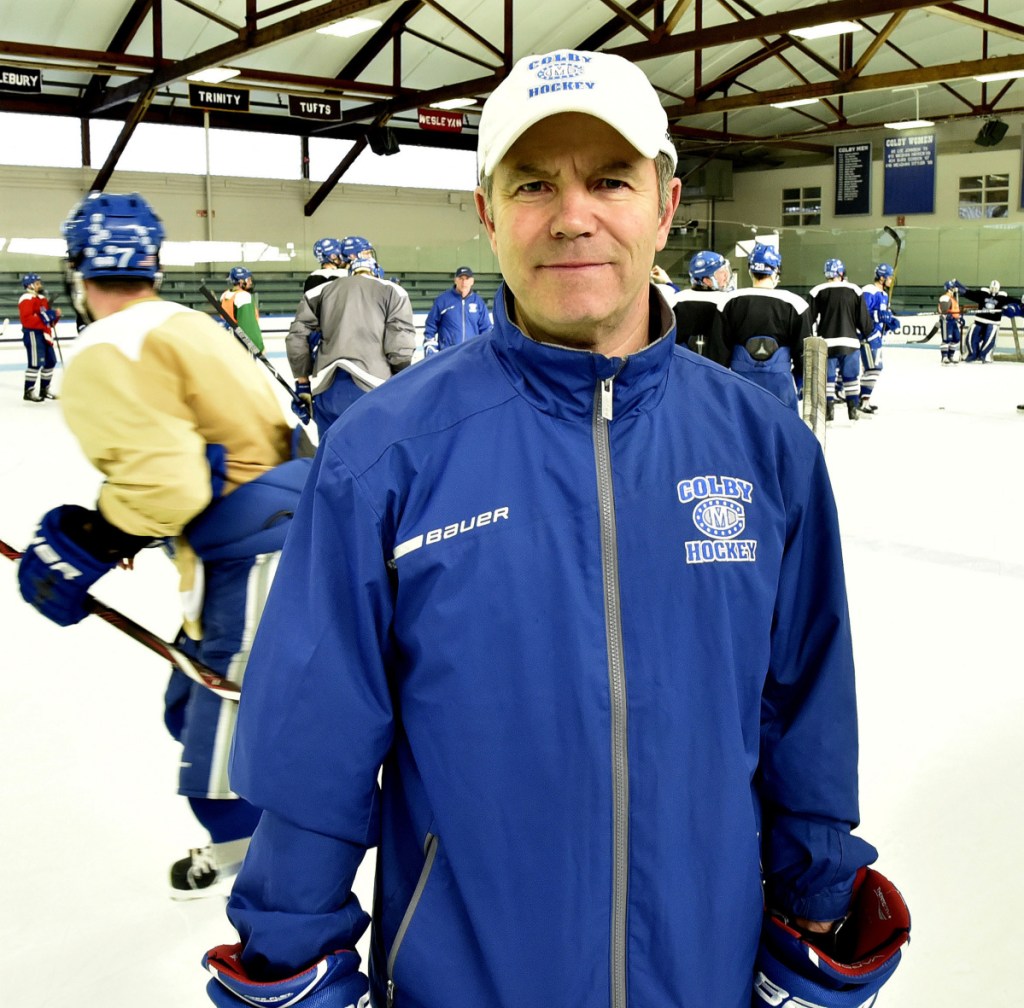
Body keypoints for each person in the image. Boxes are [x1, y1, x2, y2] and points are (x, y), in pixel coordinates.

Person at [203, 49, 882, 1008]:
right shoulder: (384, 456)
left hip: (703, 974)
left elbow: (806, 706)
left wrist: (818, 900)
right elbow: (318, 752)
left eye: (610, 179)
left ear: (666, 201)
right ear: (487, 211)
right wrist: (288, 957)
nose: (573, 216)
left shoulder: (767, 447)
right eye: (533, 183)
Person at [16, 191, 306, 900]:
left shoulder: (106, 349)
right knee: (189, 700)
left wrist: (97, 533)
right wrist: (123, 526)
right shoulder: (183, 323)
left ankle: (273, 885)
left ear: (78, 268)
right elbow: (228, 447)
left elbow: (170, 484)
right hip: (270, 543)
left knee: (221, 736)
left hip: (256, 558)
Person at [286, 254, 416, 437]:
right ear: (377, 273)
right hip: (373, 386)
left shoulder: (319, 292)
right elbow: (400, 344)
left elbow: (297, 336)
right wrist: (401, 376)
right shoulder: (393, 291)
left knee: (329, 456)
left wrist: (302, 383)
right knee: (370, 456)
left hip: (325, 387)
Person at [711, 243, 811, 408]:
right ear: (776, 271)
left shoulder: (729, 301)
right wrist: (800, 384)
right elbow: (804, 354)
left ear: (751, 270)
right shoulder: (796, 304)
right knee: (782, 430)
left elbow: (718, 352)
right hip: (781, 385)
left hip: (740, 384)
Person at [808, 258, 873, 421]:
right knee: (851, 378)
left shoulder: (817, 291)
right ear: (842, 273)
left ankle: (829, 412)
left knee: (828, 379)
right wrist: (868, 333)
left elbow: (808, 319)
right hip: (850, 342)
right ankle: (852, 410)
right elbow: (863, 321)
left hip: (826, 343)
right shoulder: (855, 290)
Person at [670, 249, 732, 362]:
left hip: (681, 365)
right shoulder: (727, 302)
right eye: (721, 273)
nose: (725, 276)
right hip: (716, 368)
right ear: (707, 281)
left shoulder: (676, 300)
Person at [422, 266, 492, 355]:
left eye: (467, 278)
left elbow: (486, 329)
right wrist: (430, 347)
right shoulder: (442, 300)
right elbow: (431, 326)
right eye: (461, 278)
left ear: (472, 281)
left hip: (472, 355)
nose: (464, 282)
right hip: (448, 354)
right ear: (455, 280)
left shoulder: (479, 303)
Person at [858, 263, 900, 413]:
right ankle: (862, 401)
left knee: (873, 368)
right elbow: (863, 314)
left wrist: (889, 323)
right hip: (868, 336)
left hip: (876, 336)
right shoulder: (869, 291)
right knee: (873, 368)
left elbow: (881, 316)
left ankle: (863, 399)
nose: (891, 280)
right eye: (889, 277)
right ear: (882, 278)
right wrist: (879, 316)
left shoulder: (883, 294)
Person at [953, 279, 1022, 362]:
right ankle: (971, 354)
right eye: (992, 288)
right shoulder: (983, 294)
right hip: (979, 321)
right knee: (972, 334)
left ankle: (985, 355)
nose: (994, 290)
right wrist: (959, 289)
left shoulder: (1003, 297)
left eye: (995, 288)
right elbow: (970, 293)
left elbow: (1017, 303)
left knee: (990, 336)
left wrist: (1012, 307)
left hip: (993, 323)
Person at [18, 272, 61, 401]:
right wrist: (48, 315)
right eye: (37, 283)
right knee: (35, 363)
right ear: (29, 285)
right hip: (33, 333)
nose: (39, 285)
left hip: (44, 333)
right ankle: (29, 391)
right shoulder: (26, 298)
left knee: (50, 361)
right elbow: (28, 320)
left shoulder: (41, 299)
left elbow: (48, 320)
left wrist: (55, 315)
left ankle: (44, 389)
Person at [219, 266, 263, 352]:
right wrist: (259, 346)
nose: (250, 282)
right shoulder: (244, 296)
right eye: (248, 279)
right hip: (242, 342)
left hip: (229, 340)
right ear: (241, 281)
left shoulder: (224, 295)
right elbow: (248, 326)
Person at [937, 279, 964, 364]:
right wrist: (946, 315)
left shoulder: (953, 298)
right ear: (949, 288)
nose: (954, 289)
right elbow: (944, 310)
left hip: (954, 321)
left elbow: (955, 310)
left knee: (956, 338)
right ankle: (944, 357)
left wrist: (959, 317)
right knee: (947, 339)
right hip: (947, 321)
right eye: (953, 288)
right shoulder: (945, 297)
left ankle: (950, 356)